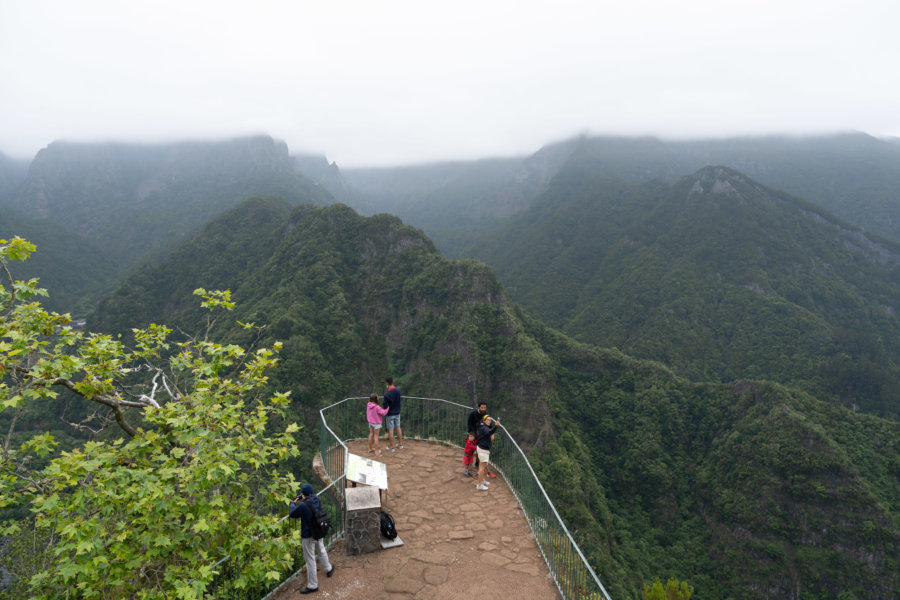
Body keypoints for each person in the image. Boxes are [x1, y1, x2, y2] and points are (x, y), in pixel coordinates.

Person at [289, 483, 335, 594]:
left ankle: (313, 585)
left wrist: (292, 504)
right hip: (319, 530)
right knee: (321, 550)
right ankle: (328, 568)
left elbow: (293, 514)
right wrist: (302, 497)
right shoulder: (317, 498)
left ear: (303, 494)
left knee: (310, 560)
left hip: (308, 535)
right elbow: (309, 499)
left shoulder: (303, 506)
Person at [467, 402, 496, 478]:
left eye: (484, 407)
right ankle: (469, 467)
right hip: (474, 433)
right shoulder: (473, 413)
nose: (483, 409)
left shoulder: (485, 413)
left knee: (479, 451)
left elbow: (489, 423)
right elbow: (469, 424)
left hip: (481, 433)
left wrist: (492, 434)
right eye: (482, 407)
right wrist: (471, 434)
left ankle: (477, 463)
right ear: (478, 407)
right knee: (472, 450)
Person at [475, 415, 500, 491]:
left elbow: (488, 432)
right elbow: (489, 432)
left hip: (481, 448)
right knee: (482, 468)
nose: (489, 421)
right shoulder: (484, 428)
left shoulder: (481, 426)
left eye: (490, 420)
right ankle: (479, 485)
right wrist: (496, 427)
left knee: (482, 465)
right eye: (488, 420)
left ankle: (482, 481)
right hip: (483, 450)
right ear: (484, 421)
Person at [382, 376, 403, 451]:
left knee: (391, 430)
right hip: (397, 412)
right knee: (398, 427)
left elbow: (385, 406)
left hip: (390, 414)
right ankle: (400, 444)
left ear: (387, 383)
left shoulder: (387, 395)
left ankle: (392, 447)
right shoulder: (398, 390)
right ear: (392, 381)